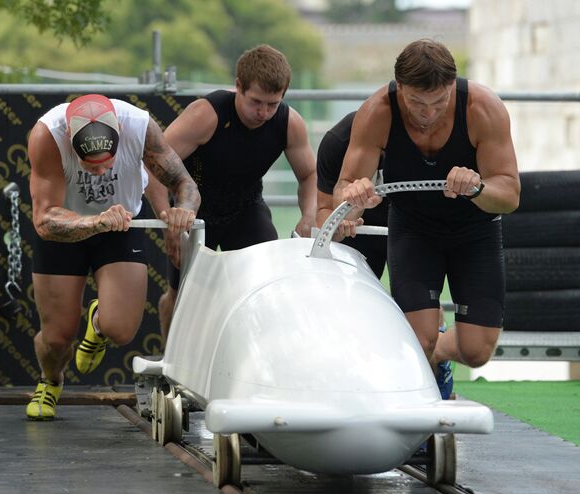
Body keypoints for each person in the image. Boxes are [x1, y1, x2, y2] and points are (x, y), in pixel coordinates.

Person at [337, 39, 520, 399]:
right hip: (414, 229)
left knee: (476, 352)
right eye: (417, 102)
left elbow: (511, 196)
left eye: (439, 102)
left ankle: (441, 354)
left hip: (475, 231)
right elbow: (346, 187)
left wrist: (477, 187)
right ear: (400, 88)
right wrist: (355, 197)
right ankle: (423, 407)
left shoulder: (483, 108)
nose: (427, 113)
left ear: (453, 86)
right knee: (416, 341)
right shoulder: (377, 111)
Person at [26, 94, 200, 420]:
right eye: (91, 166)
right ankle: (50, 380)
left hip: (120, 226)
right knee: (57, 338)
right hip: (66, 228)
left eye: (108, 161)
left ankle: (98, 322)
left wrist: (182, 213)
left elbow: (186, 184)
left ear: (119, 133)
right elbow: (44, 219)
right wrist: (93, 221)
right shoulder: (47, 134)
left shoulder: (139, 126)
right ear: (70, 142)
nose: (101, 170)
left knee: (120, 329)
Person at [157, 44, 317, 342]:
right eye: (256, 102)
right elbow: (154, 163)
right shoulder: (206, 114)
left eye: (273, 104)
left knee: (267, 286)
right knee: (182, 296)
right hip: (193, 212)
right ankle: (170, 368)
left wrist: (308, 215)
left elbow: (308, 175)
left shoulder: (289, 123)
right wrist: (167, 219)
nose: (264, 113)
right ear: (238, 88)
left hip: (245, 209)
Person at [316, 111, 388, 279]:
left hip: (407, 223)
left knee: (416, 300)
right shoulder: (337, 141)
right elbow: (324, 213)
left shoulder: (418, 135)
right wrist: (339, 225)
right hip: (357, 229)